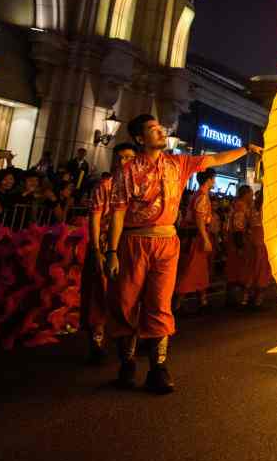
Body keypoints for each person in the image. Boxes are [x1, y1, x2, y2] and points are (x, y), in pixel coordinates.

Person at [105, 114, 260, 394]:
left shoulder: (178, 163)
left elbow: (216, 159)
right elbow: (117, 212)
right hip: (134, 241)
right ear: (140, 139)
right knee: (127, 302)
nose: (160, 131)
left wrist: (246, 149)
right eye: (152, 129)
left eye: (159, 127)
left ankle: (158, 367)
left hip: (167, 242)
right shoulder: (127, 171)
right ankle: (127, 363)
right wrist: (112, 251)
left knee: (160, 303)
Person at [82, 142, 136, 365]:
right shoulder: (105, 186)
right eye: (121, 158)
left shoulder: (138, 186)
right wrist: (96, 250)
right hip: (104, 245)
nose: (125, 162)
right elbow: (94, 219)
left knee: (126, 294)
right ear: (114, 160)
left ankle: (129, 343)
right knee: (99, 293)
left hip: (128, 245)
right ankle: (96, 341)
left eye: (130, 158)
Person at [175, 170, 216, 313]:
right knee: (191, 270)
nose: (214, 182)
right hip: (197, 238)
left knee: (198, 269)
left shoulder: (197, 195)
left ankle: (203, 300)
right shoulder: (202, 196)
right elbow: (199, 219)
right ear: (209, 180)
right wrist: (205, 239)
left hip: (195, 236)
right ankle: (178, 304)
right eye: (213, 179)